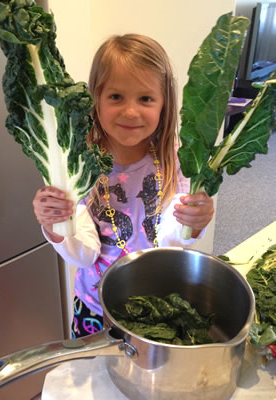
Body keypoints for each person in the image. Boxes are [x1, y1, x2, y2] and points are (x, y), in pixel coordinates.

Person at [32, 34, 214, 338]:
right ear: (96, 100)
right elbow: (84, 254)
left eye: (145, 99)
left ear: (163, 104)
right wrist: (54, 224)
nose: (131, 112)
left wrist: (195, 222)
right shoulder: (78, 163)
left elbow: (174, 241)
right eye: (116, 97)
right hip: (95, 306)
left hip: (157, 303)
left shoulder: (175, 158)